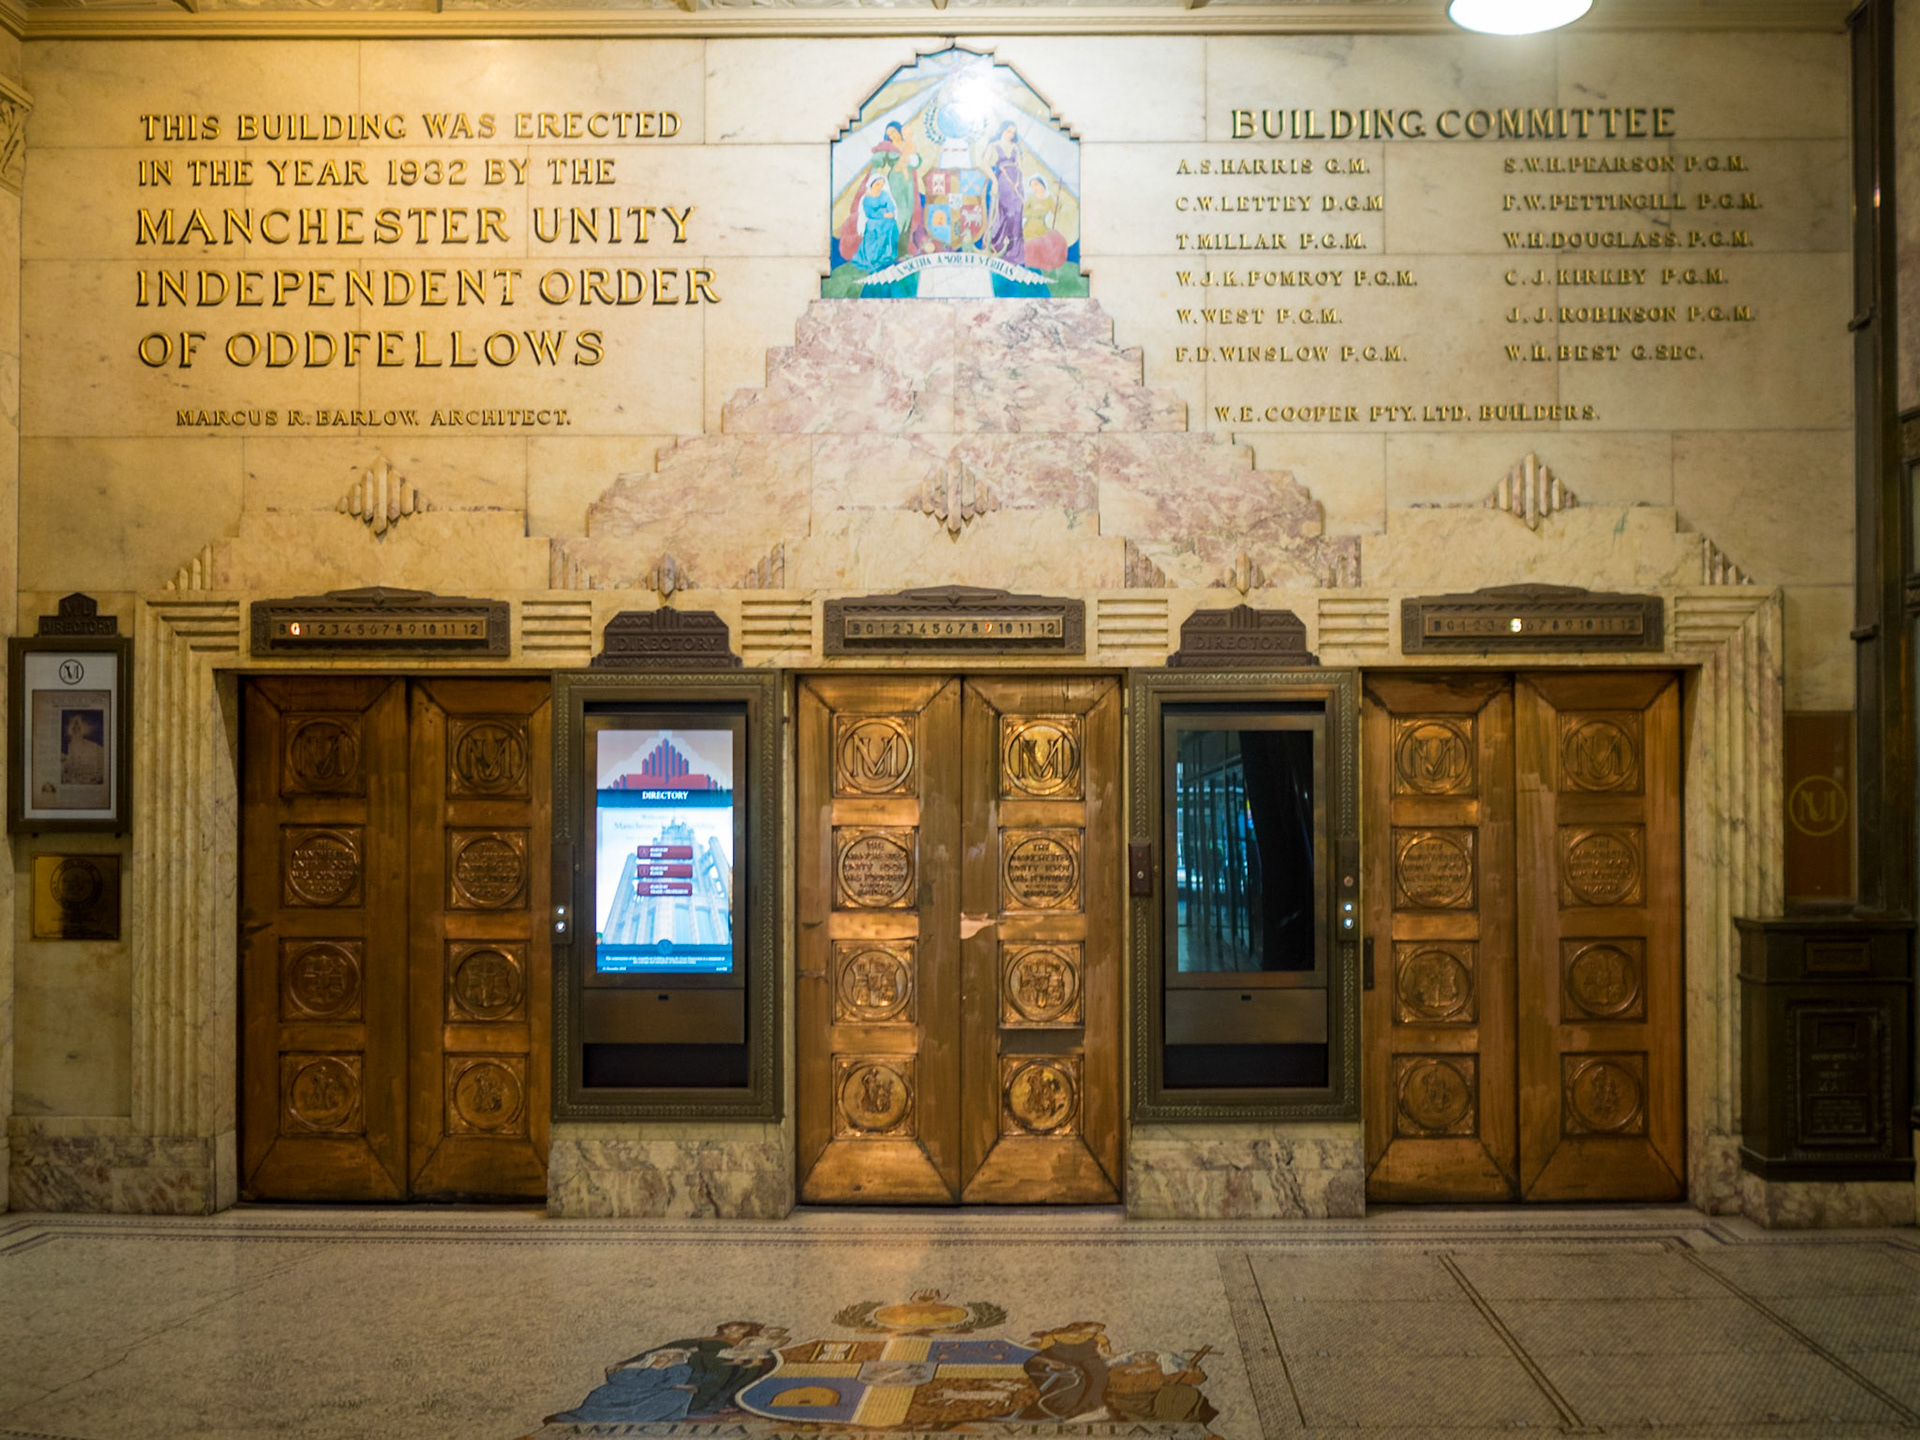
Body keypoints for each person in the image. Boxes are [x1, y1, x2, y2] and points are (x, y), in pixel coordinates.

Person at [548, 1347, 697, 1424]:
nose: (666, 1359)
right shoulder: (634, 1368)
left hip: (653, 1395)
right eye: (663, 1356)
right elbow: (618, 1379)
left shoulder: (679, 1369)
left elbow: (670, 1383)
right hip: (625, 1391)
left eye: (672, 1357)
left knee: (676, 1396)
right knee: (602, 1393)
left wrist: (655, 1376)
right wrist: (647, 1372)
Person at [984, 120, 1026, 267]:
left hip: (1016, 183)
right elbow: (985, 163)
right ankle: (1000, 247)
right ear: (1002, 130)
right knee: (1006, 213)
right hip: (1003, 181)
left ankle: (1015, 253)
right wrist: (994, 181)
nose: (1011, 135)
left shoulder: (1015, 147)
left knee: (1017, 213)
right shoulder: (994, 145)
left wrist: (1020, 182)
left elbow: (1020, 167)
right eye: (1009, 131)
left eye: (1013, 132)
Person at [851, 173, 902, 273]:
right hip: (874, 221)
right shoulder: (867, 198)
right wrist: (883, 215)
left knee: (891, 225)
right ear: (872, 185)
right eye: (877, 185)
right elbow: (869, 213)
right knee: (875, 228)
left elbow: (890, 205)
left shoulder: (884, 194)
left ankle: (887, 255)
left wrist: (890, 212)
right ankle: (873, 257)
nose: (879, 187)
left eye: (881, 185)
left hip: (886, 220)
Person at [1022, 175, 1069, 272]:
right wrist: (1035, 212)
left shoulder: (1049, 199)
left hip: (1042, 227)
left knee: (1055, 240)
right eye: (1032, 186)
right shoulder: (1031, 198)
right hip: (1030, 227)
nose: (1034, 188)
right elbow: (1023, 213)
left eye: (1036, 184)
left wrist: (1059, 199)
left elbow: (1055, 210)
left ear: (1042, 185)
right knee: (1031, 245)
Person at [61, 711, 104, 787]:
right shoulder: (70, 745)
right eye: (74, 728)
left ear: (81, 730)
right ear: (72, 729)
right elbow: (70, 761)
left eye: (78, 728)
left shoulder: (91, 745)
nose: (76, 730)